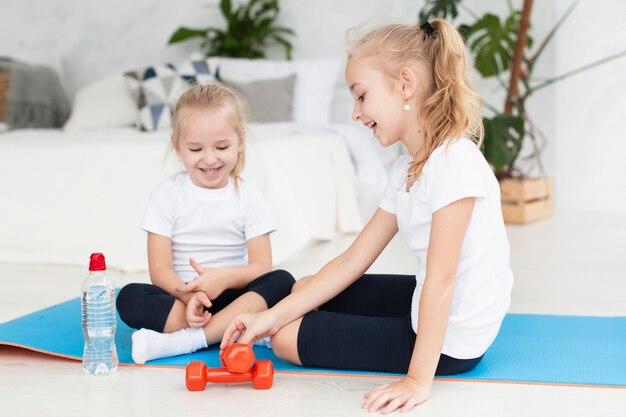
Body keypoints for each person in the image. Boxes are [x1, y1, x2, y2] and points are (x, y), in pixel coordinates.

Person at [220, 19, 514, 414]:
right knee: (302, 288)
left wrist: (416, 380)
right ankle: (269, 319)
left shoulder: (454, 164)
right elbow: (351, 261)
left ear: (405, 84)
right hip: (429, 303)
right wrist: (266, 318)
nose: (356, 113)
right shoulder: (409, 169)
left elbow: (442, 281)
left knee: (285, 340)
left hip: (453, 341)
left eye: (361, 96)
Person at [116, 84, 295, 364]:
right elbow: (160, 268)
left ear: (240, 143)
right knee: (129, 297)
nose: (210, 158)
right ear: (177, 146)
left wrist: (222, 278)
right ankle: (237, 330)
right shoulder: (167, 195)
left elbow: (261, 266)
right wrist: (191, 297)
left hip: (234, 296)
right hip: (182, 298)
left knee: (283, 281)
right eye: (196, 148)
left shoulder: (248, 196)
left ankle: (185, 341)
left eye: (221, 147)